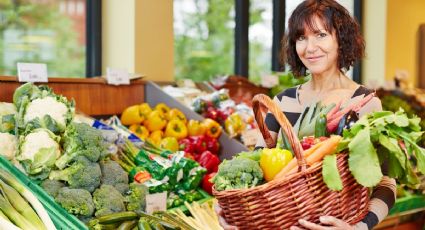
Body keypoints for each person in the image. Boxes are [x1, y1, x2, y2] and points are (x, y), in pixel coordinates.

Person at [215, 0, 396, 229]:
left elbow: (386, 183)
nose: (309, 48)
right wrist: (230, 206)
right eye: (301, 37)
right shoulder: (282, 101)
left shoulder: (364, 103)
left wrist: (359, 228)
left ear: (341, 38)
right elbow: (258, 169)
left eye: (320, 35)